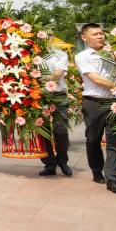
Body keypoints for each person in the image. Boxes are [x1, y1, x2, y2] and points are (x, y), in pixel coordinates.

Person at [76, 22, 116, 194]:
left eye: (101, 33)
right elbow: (95, 79)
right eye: (95, 34)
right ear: (84, 37)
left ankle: (113, 178)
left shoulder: (115, 53)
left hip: (115, 102)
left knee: (115, 141)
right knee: (93, 139)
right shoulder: (82, 56)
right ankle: (97, 170)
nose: (100, 36)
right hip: (93, 102)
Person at [39, 40, 73, 177]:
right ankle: (49, 164)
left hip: (58, 94)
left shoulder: (60, 54)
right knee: (43, 130)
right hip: (39, 95)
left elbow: (59, 72)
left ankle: (62, 161)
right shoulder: (31, 53)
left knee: (61, 130)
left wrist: (42, 79)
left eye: (49, 35)